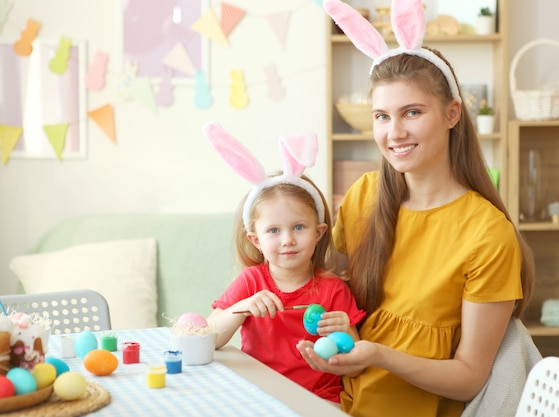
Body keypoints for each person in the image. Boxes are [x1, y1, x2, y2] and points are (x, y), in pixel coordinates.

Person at [296, 1, 536, 416]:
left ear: (452, 114)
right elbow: (328, 290)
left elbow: (469, 377)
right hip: (334, 400)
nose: (395, 132)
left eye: (412, 112)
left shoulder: (487, 233)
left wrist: (379, 356)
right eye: (382, 116)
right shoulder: (364, 196)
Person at [203, 122, 366, 404]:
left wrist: (345, 331)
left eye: (299, 228)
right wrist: (241, 307)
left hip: (319, 399)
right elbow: (209, 339)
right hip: (258, 397)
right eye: (274, 231)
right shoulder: (251, 282)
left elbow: (357, 363)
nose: (288, 240)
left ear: (319, 233)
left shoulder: (332, 290)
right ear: (256, 240)